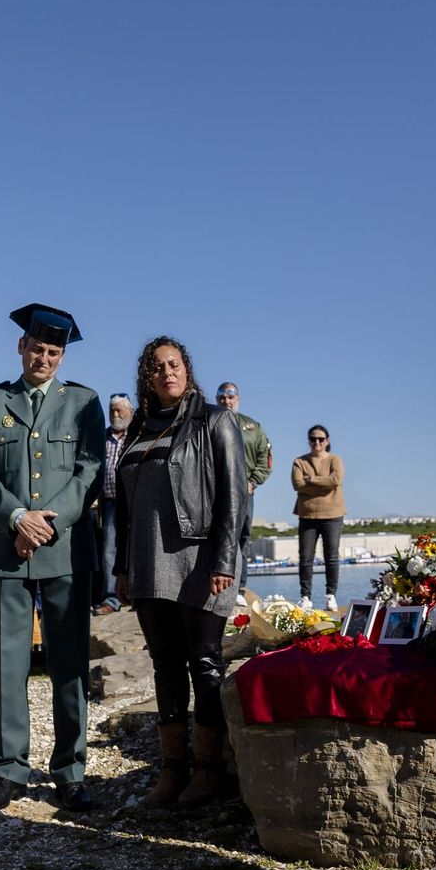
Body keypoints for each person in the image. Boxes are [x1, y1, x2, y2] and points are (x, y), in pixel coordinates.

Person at [0, 304, 105, 813]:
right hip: (6, 551)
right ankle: (8, 769)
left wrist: (43, 523)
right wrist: (17, 519)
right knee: (8, 664)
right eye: (36, 348)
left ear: (61, 356)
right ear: (20, 347)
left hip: (66, 549)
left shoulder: (84, 403)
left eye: (53, 351)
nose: (43, 358)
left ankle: (70, 770)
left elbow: (90, 472)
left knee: (68, 665)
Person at [112, 336, 245, 807]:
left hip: (200, 561)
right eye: (157, 366)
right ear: (146, 377)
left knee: (205, 662)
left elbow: (234, 497)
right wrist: (121, 567)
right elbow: (123, 511)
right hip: (148, 564)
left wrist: (224, 561)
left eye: (174, 364)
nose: (167, 372)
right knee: (166, 666)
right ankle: (172, 770)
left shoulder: (215, 421)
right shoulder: (138, 430)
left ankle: (210, 772)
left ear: (187, 369)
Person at [215, 382, 270, 606]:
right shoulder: (209, 422)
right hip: (217, 491)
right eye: (222, 398)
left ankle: (239, 587)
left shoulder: (252, 426)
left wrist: (253, 481)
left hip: (244, 492)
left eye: (231, 397)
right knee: (217, 536)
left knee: (242, 539)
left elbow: (264, 458)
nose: (226, 402)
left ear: (238, 398)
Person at [290, 424, 343, 610]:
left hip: (333, 515)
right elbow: (297, 484)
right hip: (307, 515)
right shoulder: (299, 462)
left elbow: (336, 480)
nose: (317, 442)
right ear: (309, 441)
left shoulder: (335, 459)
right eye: (313, 439)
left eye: (321, 439)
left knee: (332, 558)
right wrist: (324, 484)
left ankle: (331, 595)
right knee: (305, 559)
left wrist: (310, 480)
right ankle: (305, 597)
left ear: (327, 441)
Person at [91, 393, 133, 615]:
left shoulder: (136, 435)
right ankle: (111, 598)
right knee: (109, 552)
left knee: (136, 549)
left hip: (134, 502)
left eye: (119, 410)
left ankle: (136, 597)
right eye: (112, 410)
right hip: (109, 503)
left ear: (130, 412)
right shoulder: (102, 438)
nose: (115, 414)